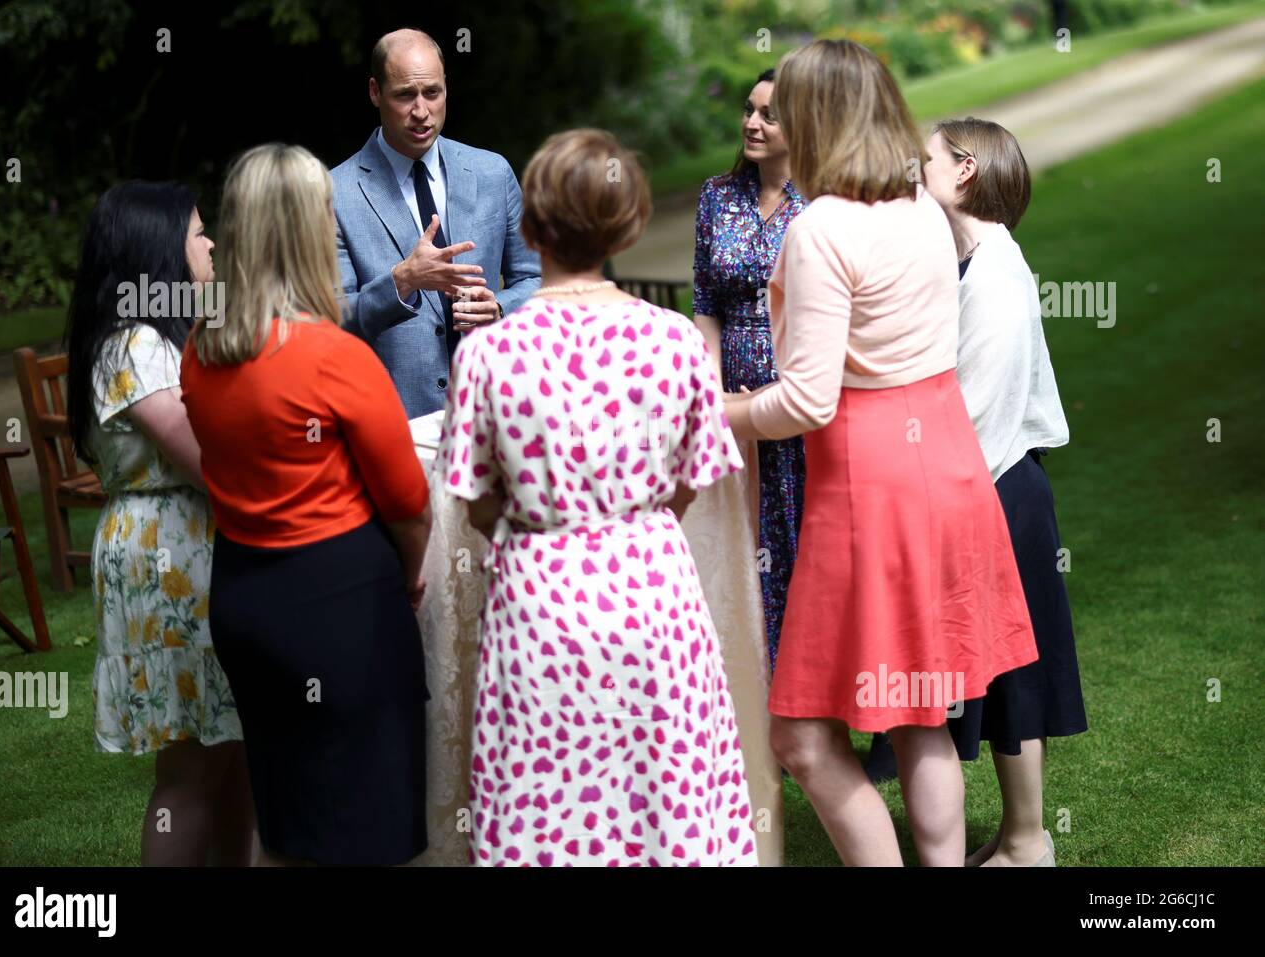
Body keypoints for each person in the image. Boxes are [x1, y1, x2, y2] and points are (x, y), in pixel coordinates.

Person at [723, 40, 1039, 866]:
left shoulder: (819, 228)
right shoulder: (919, 212)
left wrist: (716, 411)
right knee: (918, 708)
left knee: (797, 731)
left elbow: (806, 400)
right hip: (948, 464)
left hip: (871, 485)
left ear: (816, 117)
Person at [437, 129, 758, 867]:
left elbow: (475, 500)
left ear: (528, 228)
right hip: (652, 596)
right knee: (663, 802)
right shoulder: (676, 341)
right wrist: (627, 524)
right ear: (633, 225)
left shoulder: (490, 352)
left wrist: (549, 523)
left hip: (539, 605)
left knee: (544, 808)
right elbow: (690, 480)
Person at [181, 143, 433, 866]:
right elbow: (407, 500)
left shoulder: (203, 347)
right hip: (340, 602)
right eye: (326, 209)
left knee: (288, 814)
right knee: (369, 820)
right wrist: (412, 571)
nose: (336, 223)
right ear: (302, 228)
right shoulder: (333, 355)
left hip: (245, 597)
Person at [65, 180, 254, 865]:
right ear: (159, 251)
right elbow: (206, 458)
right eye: (198, 233)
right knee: (190, 772)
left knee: (230, 757)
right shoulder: (134, 344)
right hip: (168, 559)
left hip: (192, 547)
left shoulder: (165, 333)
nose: (210, 245)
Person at [923, 117, 1087, 867]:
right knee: (1001, 664)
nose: (910, 168)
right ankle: (1020, 836)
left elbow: (979, 412)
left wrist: (930, 514)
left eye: (923, 157)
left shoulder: (992, 271)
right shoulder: (973, 260)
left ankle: (1028, 841)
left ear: (964, 170)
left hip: (995, 489)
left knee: (1014, 666)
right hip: (988, 486)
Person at [331, 27, 541, 418]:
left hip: (496, 411)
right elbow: (329, 320)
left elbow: (539, 281)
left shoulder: (492, 172)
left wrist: (499, 308)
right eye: (404, 95)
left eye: (432, 92)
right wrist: (402, 281)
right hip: (395, 425)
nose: (421, 111)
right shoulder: (332, 192)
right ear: (375, 92)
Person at [693, 68, 807, 674]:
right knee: (743, 545)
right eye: (747, 109)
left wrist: (785, 387)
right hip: (730, 399)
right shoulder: (717, 195)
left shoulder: (823, 204)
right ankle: (755, 701)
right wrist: (713, 393)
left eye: (768, 114)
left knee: (801, 543)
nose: (751, 123)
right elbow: (705, 302)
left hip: (800, 393)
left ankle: (819, 700)